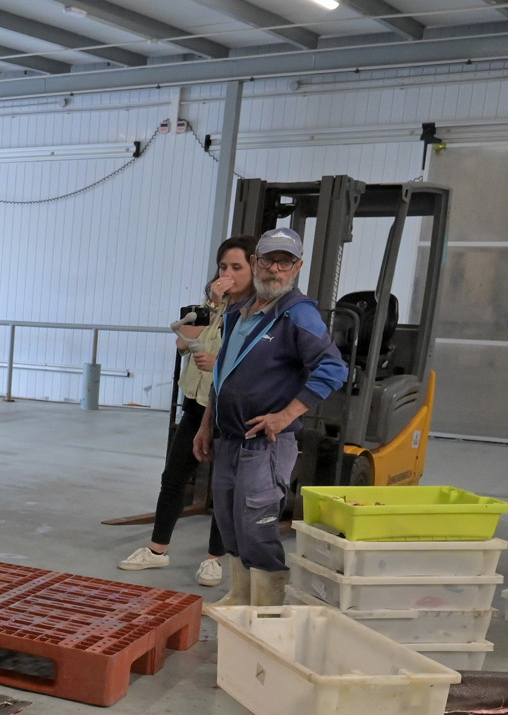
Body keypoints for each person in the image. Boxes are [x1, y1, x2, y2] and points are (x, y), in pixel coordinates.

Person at [193, 226, 348, 606]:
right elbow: (223, 373)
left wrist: (286, 415)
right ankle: (240, 595)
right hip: (230, 439)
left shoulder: (297, 314)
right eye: (268, 261)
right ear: (256, 262)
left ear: (298, 267)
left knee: (256, 526)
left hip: (266, 444)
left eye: (285, 262)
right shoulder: (240, 311)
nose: (275, 270)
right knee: (230, 521)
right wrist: (206, 424)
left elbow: (334, 368)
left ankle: (266, 609)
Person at [119, 236, 255, 586]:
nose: (227, 274)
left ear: (254, 269)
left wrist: (218, 362)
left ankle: (214, 559)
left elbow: (258, 362)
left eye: (236, 267)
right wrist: (212, 302)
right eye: (223, 267)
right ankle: (156, 550)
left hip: (230, 408)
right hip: (196, 404)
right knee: (174, 476)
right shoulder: (209, 306)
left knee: (223, 485)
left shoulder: (258, 314)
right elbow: (183, 341)